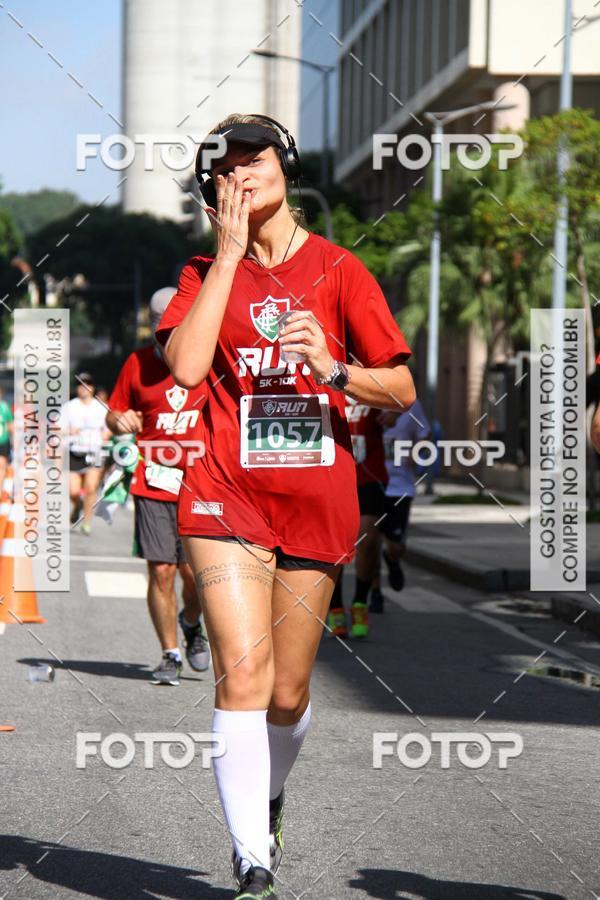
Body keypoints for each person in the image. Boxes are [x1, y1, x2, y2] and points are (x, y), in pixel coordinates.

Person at [156, 113, 415, 899]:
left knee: (288, 693)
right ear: (212, 190)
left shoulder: (339, 269)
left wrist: (333, 368)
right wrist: (229, 258)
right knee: (242, 672)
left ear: (286, 166)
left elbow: (400, 389)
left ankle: (267, 794)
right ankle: (253, 861)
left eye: (253, 157)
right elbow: (187, 369)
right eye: (224, 166)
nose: (239, 172)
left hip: (314, 499)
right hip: (225, 497)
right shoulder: (202, 272)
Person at [106, 288, 211, 685]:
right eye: (160, 330)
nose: (166, 337)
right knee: (162, 571)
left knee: (196, 574)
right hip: (153, 483)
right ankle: (170, 653)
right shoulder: (137, 362)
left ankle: (191, 622)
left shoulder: (209, 355)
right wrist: (121, 420)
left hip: (201, 483)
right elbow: (114, 413)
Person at [327, 398, 390, 638]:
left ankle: (360, 603)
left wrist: (394, 413)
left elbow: (400, 404)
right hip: (335, 477)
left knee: (367, 541)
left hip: (369, 478)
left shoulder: (371, 386)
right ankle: (335, 608)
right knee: (336, 545)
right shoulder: (327, 384)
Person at [377, 398, 431, 592]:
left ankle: (392, 559)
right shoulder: (364, 400)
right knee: (370, 543)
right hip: (372, 483)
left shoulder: (410, 403)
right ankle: (374, 592)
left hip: (400, 487)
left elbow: (426, 435)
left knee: (396, 545)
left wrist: (415, 453)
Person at [63, 373, 110, 535]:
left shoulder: (101, 407)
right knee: (73, 491)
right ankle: (77, 505)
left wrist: (106, 434)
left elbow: (110, 428)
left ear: (92, 387)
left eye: (88, 384)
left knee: (91, 487)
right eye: (81, 384)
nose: (84, 388)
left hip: (95, 451)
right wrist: (68, 431)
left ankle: (86, 522)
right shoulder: (69, 407)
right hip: (75, 451)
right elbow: (56, 428)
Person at [0, 385, 13, 487]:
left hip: (3, 441)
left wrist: (14, 442)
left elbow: (10, 425)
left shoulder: (4, 407)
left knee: (2, 464)